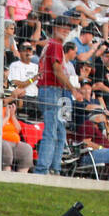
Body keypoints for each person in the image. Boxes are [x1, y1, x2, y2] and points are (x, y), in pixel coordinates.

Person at [34, 16, 76, 174]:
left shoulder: (50, 45)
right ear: (55, 27)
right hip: (51, 89)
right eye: (62, 27)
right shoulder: (56, 45)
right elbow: (57, 71)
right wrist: (73, 89)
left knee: (60, 130)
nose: (66, 30)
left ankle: (55, 167)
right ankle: (43, 169)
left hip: (51, 89)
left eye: (68, 28)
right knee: (51, 131)